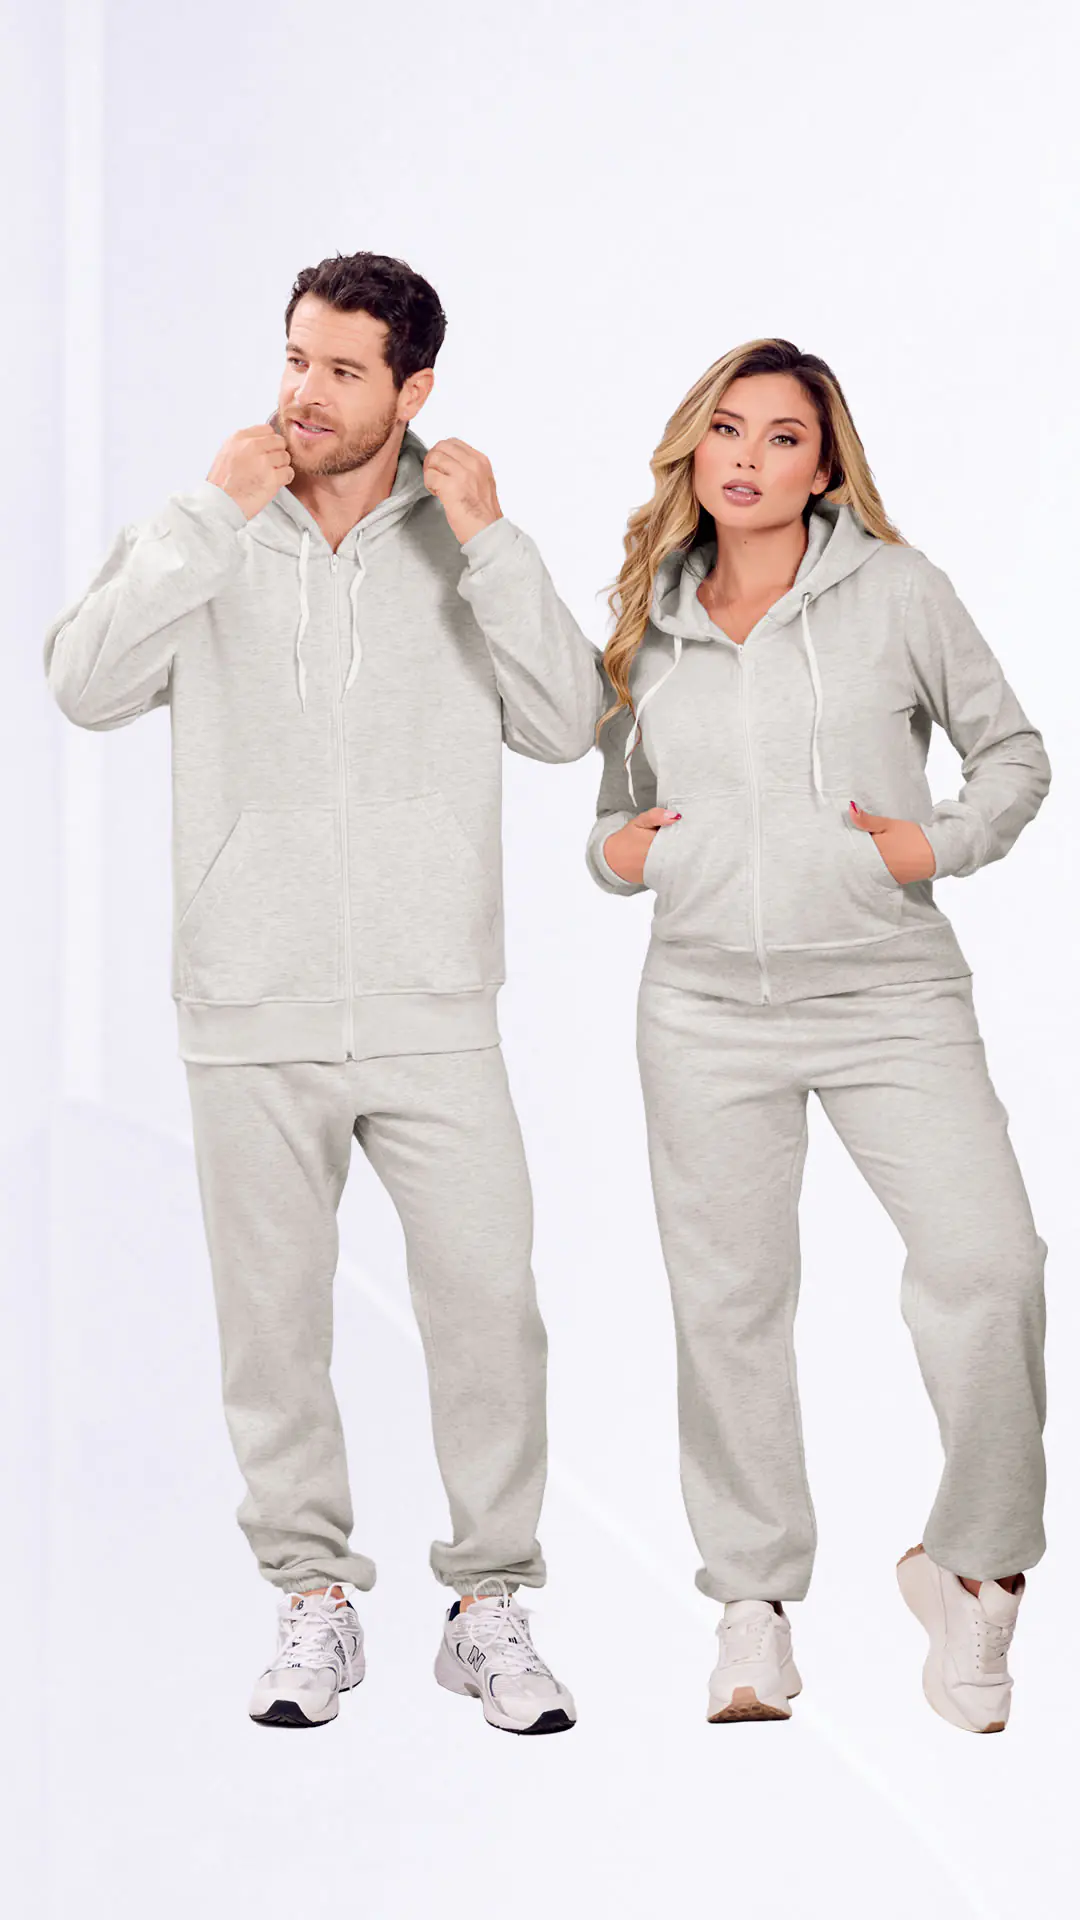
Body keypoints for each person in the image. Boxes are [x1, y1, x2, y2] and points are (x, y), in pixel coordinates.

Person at [45, 250, 604, 1736]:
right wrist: (204, 517)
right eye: (297, 357)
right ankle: (311, 1600)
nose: (305, 392)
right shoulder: (209, 528)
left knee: (490, 1311)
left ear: (412, 391)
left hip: (436, 1008)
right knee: (273, 1332)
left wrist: (494, 542)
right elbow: (83, 686)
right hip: (249, 1006)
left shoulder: (462, 539)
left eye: (344, 370)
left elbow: (569, 722)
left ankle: (489, 1606)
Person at [585, 336, 1050, 1733]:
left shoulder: (899, 591)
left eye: (782, 436)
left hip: (889, 993)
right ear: (694, 449)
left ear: (824, 466)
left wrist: (935, 843)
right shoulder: (646, 617)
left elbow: (1014, 752)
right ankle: (752, 1605)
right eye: (726, 430)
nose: (747, 457)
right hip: (703, 1009)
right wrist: (622, 855)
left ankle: (976, 1573)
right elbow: (612, 813)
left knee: (990, 1265)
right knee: (728, 1303)